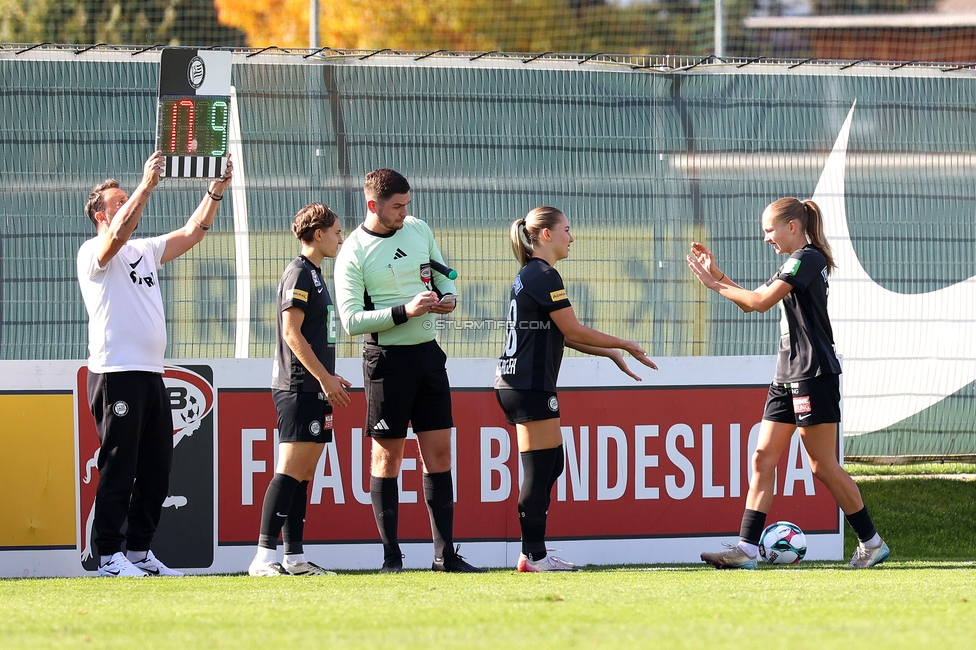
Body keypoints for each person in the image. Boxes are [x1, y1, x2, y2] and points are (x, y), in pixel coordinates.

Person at [687, 197, 890, 569]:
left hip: (813, 373)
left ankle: (872, 543)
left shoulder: (807, 258)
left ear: (792, 226)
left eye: (769, 229)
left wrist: (714, 284)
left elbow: (760, 302)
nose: (766, 237)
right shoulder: (793, 262)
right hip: (787, 374)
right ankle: (747, 550)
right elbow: (751, 301)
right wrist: (718, 276)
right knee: (762, 458)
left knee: (822, 466)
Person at [77, 150, 233, 577]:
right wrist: (146, 185)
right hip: (115, 373)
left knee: (156, 468)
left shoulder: (144, 250)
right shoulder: (93, 251)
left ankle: (138, 551)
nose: (128, 202)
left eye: (128, 197)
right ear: (100, 215)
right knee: (119, 465)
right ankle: (108, 555)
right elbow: (116, 237)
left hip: (150, 374)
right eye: (118, 201)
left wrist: (215, 191)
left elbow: (192, 232)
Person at [334, 168, 483, 573]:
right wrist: (405, 311)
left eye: (407, 204)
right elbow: (351, 321)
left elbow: (442, 276)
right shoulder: (353, 251)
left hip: (428, 357)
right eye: (397, 206)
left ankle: (444, 557)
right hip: (386, 363)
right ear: (373, 205)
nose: (404, 212)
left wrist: (449, 298)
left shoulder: (418, 229)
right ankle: (391, 559)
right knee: (387, 458)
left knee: (439, 453)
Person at [494, 207, 658, 572]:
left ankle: (532, 553)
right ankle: (533, 556)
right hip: (527, 384)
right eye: (566, 230)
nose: (572, 237)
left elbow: (562, 334)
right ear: (546, 235)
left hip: (523, 382)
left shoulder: (533, 273)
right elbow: (573, 329)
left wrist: (610, 353)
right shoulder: (542, 274)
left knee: (551, 464)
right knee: (540, 470)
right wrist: (624, 342)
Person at [248, 203, 353, 577]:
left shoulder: (315, 274)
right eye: (337, 232)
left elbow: (312, 334)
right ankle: (263, 557)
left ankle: (294, 558)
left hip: (315, 387)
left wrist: (328, 376)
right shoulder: (299, 272)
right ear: (318, 234)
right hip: (298, 387)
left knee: (304, 473)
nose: (341, 239)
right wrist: (323, 378)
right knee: (289, 470)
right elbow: (291, 333)